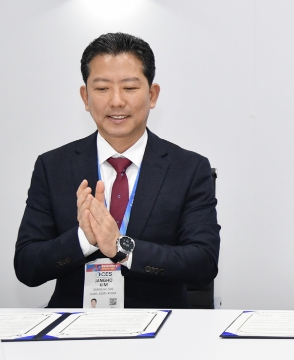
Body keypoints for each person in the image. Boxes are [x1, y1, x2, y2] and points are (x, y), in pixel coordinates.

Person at [15, 33, 220, 308]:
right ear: (85, 97)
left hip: (160, 324)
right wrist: (84, 239)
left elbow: (203, 263)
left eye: (129, 87)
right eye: (102, 88)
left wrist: (120, 246)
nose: (116, 101)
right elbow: (26, 266)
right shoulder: (53, 167)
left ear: (152, 94)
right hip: (75, 324)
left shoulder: (189, 168)